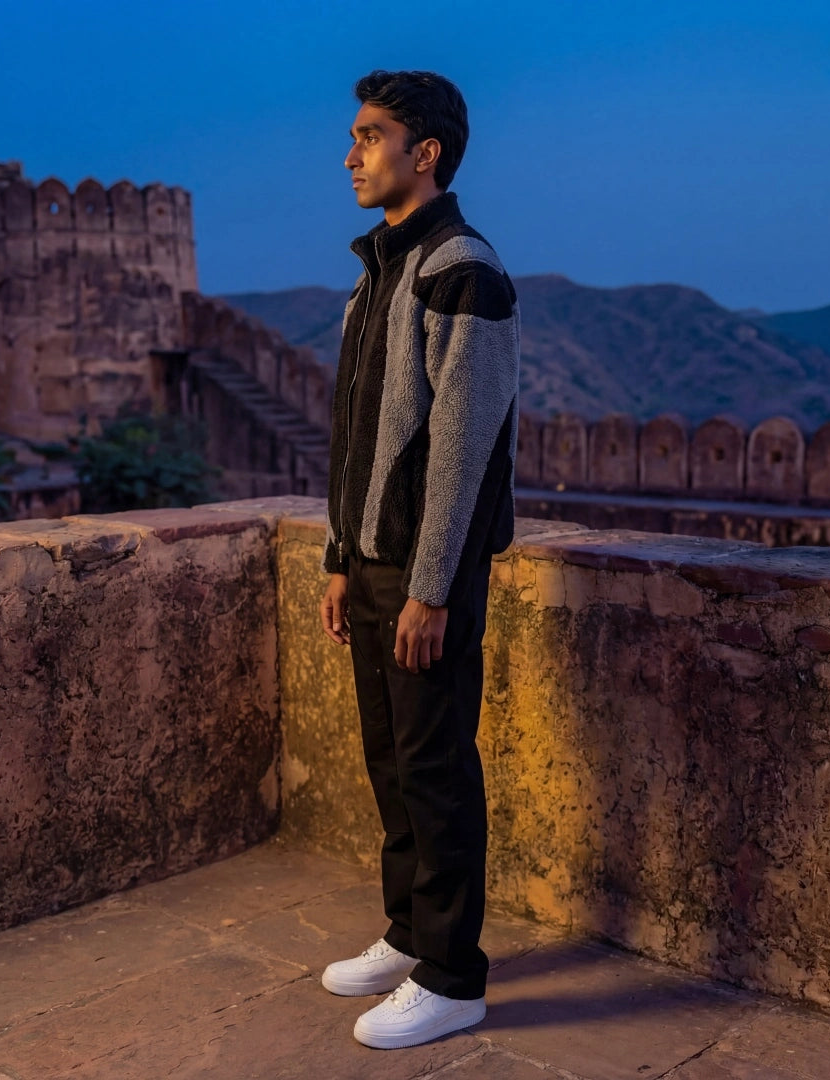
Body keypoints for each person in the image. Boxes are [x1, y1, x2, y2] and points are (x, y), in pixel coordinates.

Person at [318, 69, 520, 1050]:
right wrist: (336, 557)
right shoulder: (380, 273)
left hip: (426, 577)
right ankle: (408, 936)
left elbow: (464, 451)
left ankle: (452, 975)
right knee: (391, 761)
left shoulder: (462, 270)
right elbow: (360, 433)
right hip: (372, 568)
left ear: (424, 152)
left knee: (435, 766)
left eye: (370, 135)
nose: (352, 154)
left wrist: (432, 588)